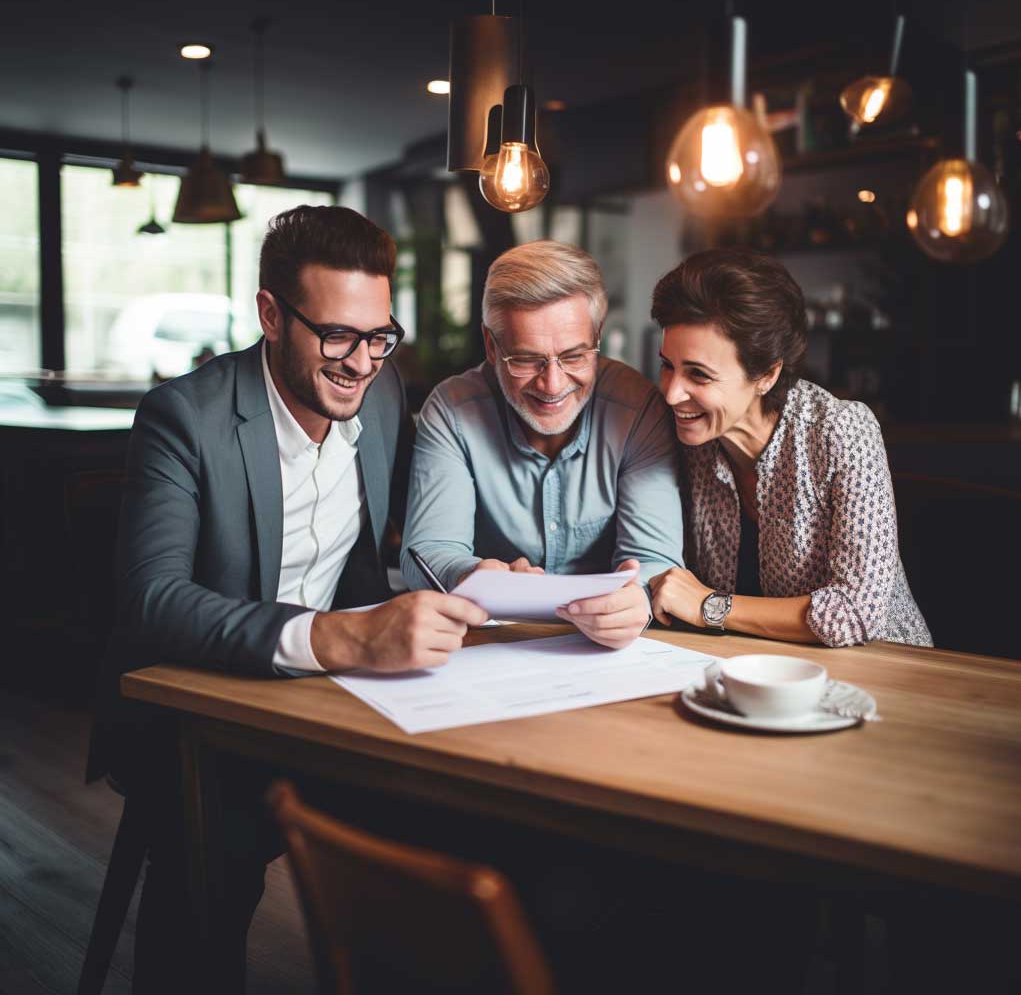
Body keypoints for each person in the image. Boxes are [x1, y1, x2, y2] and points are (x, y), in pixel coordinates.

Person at [87, 205, 487, 994]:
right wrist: (336, 639)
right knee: (213, 870)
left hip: (328, 711)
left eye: (379, 337)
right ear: (271, 314)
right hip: (196, 717)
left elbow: (382, 559)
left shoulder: (380, 395)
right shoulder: (183, 418)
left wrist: (476, 579)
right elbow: (153, 602)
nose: (361, 363)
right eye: (337, 335)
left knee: (452, 828)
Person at [400, 240, 684, 649]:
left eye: (573, 356)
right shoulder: (452, 411)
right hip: (489, 649)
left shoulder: (639, 409)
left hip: (608, 655)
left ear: (597, 336)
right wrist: (472, 575)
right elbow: (428, 551)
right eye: (526, 359)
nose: (552, 384)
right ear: (491, 346)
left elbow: (655, 561)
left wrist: (637, 598)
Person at [647, 247, 932, 647]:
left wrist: (710, 605)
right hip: (758, 669)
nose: (673, 393)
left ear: (766, 374)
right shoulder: (686, 438)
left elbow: (852, 614)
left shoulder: (841, 430)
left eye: (699, 374)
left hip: (889, 671)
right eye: (667, 365)